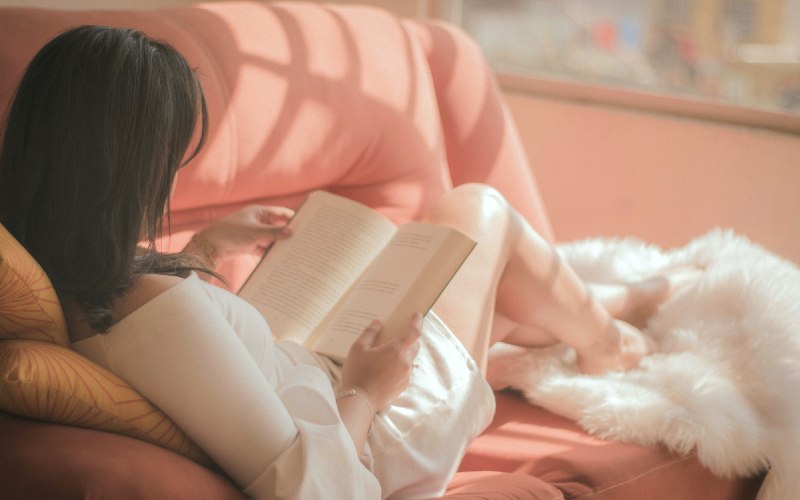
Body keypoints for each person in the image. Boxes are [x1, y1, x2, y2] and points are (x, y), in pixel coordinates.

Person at [0, 26, 688, 499]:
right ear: (128, 168)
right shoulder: (149, 310)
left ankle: (614, 308)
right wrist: (367, 388)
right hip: (374, 439)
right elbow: (311, 486)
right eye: (170, 157)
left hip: (319, 384)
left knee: (496, 289)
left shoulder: (62, 265)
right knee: (478, 210)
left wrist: (206, 248)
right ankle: (611, 341)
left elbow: (170, 354)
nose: (174, 174)